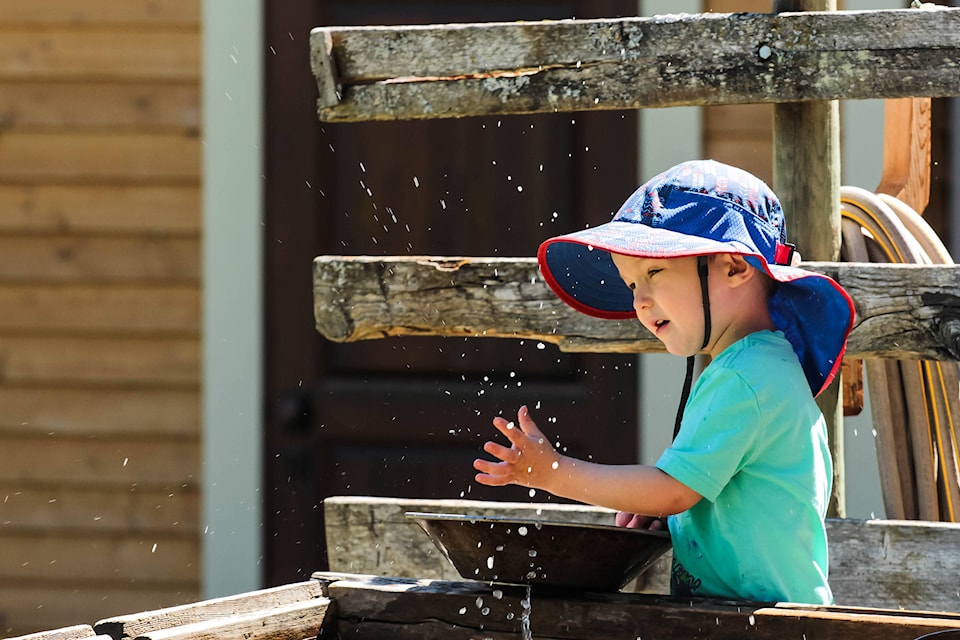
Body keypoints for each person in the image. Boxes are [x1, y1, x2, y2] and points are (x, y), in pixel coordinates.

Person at [473, 159, 855, 605]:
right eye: (631, 283)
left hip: (769, 626)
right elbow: (699, 495)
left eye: (653, 272)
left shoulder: (744, 377)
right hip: (758, 618)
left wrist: (550, 471)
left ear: (734, 266)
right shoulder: (760, 365)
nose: (639, 300)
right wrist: (677, 519)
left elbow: (671, 489)